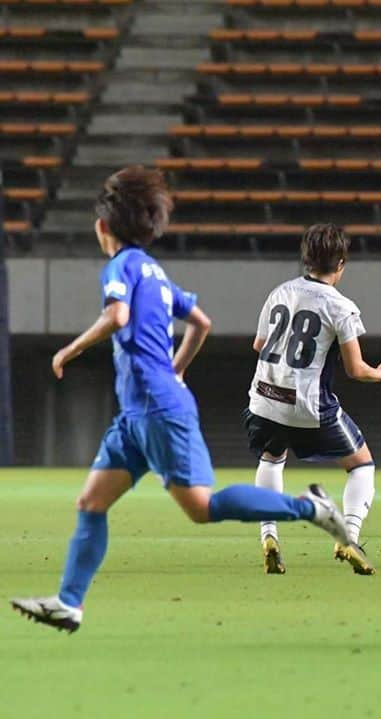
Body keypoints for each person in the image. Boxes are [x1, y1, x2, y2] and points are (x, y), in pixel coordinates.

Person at [10, 167, 352, 633]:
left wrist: (71, 349)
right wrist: (177, 368)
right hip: (138, 413)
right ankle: (69, 603)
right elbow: (201, 321)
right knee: (90, 502)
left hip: (155, 408)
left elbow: (117, 314)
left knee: (200, 507)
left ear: (102, 227)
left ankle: (310, 509)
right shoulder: (153, 270)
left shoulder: (121, 266)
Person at [244, 223, 381, 575]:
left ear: (305, 259)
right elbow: (356, 369)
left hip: (264, 398)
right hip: (307, 405)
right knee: (361, 465)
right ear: (341, 264)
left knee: (271, 459)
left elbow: (258, 344)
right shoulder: (340, 306)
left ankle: (269, 537)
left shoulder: (279, 292)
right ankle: (348, 537)